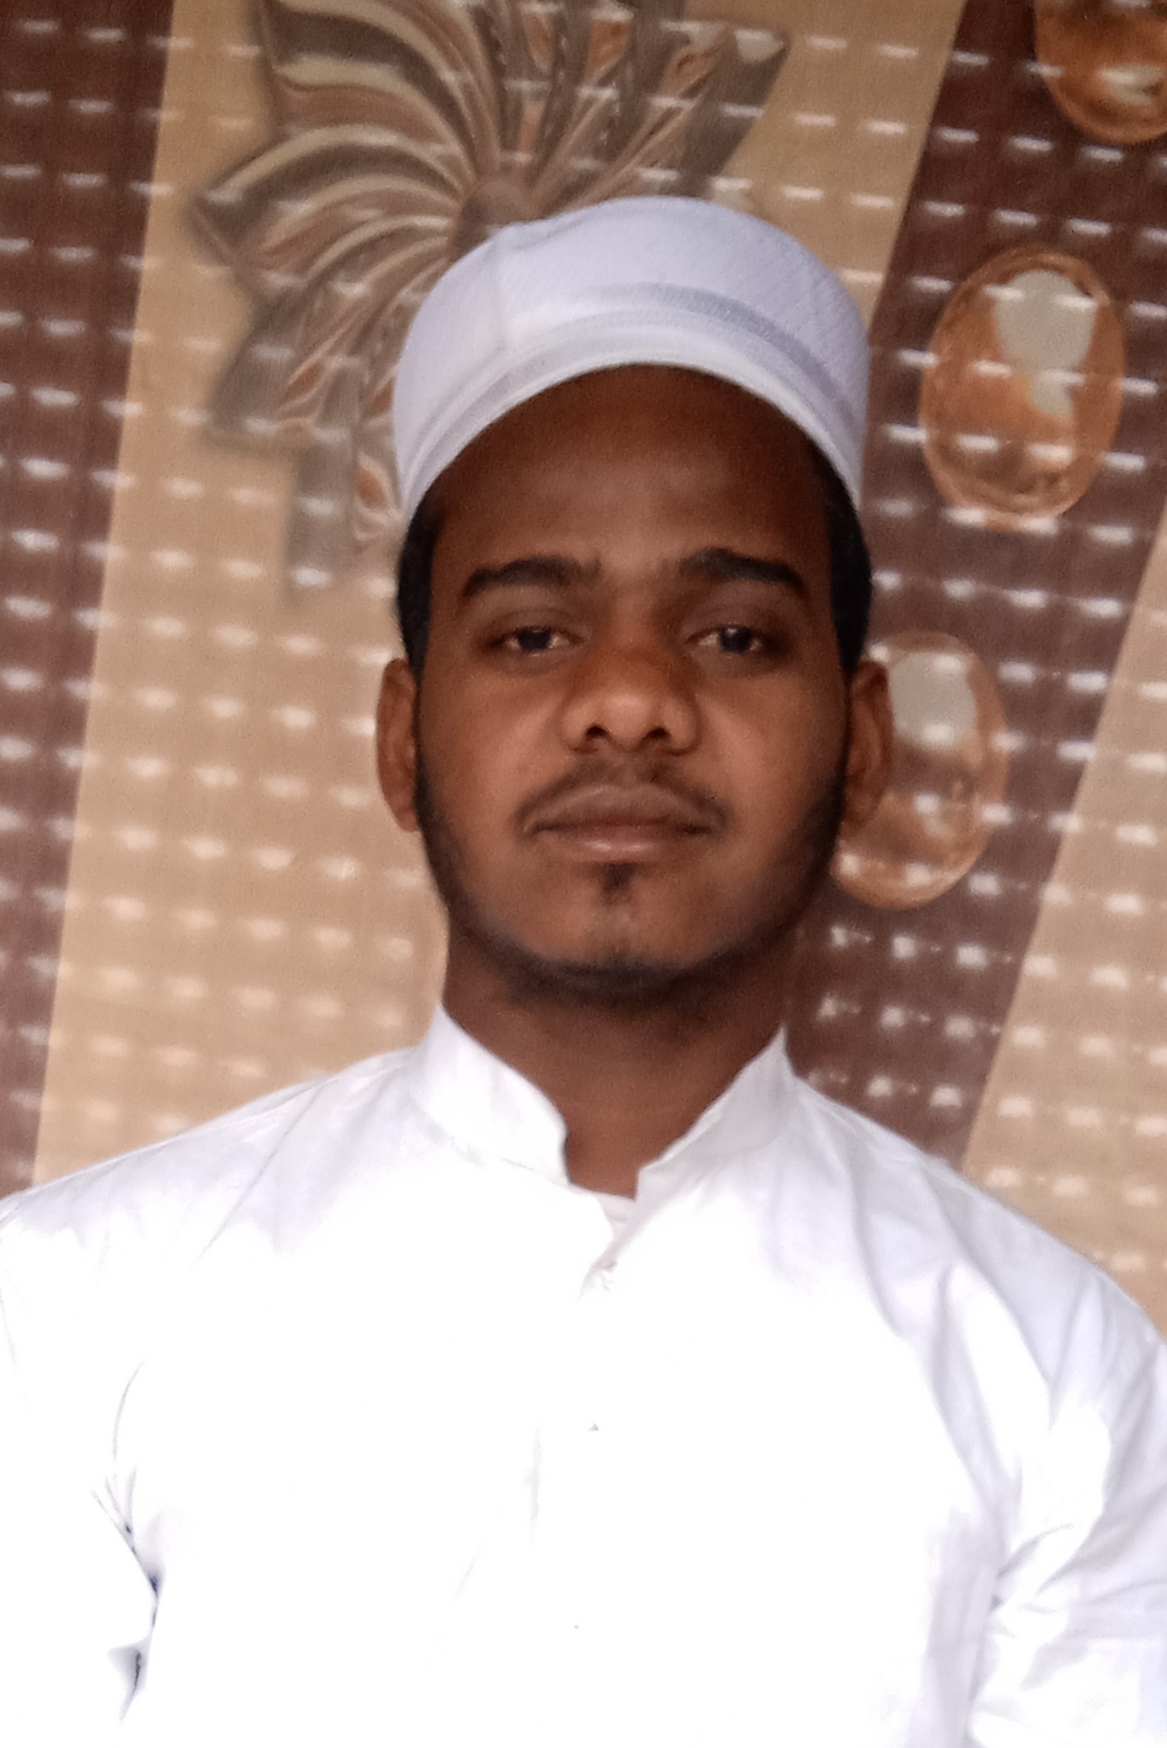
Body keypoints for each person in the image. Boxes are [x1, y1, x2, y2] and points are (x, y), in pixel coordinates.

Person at [1, 197, 1164, 1747]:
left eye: (734, 636)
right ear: (404, 739)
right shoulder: (76, 1308)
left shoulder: (1060, 1377)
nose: (629, 699)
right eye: (536, 634)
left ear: (865, 741)